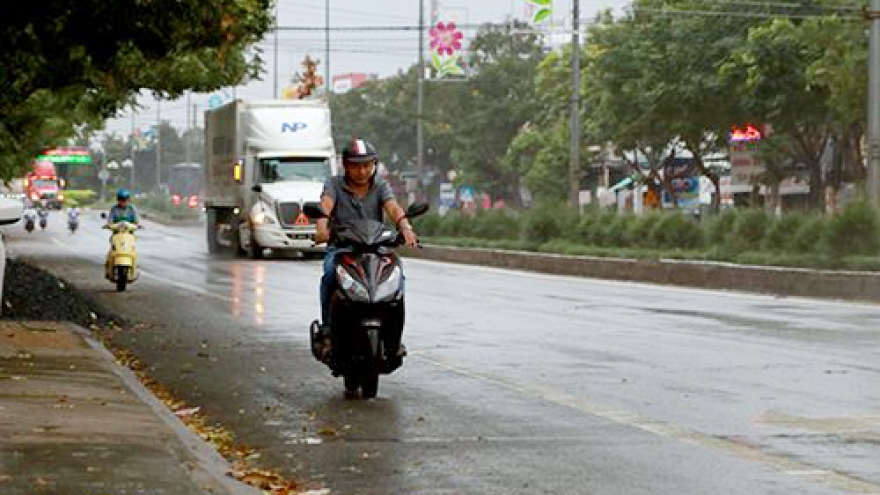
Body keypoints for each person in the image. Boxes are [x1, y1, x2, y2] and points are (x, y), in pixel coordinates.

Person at [315, 138, 418, 327]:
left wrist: (405, 227)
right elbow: (325, 206)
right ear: (345, 165)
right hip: (342, 249)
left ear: (374, 165)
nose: (361, 171)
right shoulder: (334, 184)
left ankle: (394, 334)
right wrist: (322, 228)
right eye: (355, 166)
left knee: (397, 276)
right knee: (330, 274)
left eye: (366, 165)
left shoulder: (381, 186)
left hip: (376, 250)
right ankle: (327, 327)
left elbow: (393, 208)